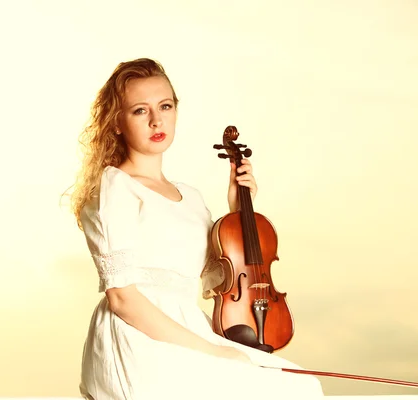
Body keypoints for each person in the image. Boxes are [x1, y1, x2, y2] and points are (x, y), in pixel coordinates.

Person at [69, 58, 324, 399]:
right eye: (140, 111)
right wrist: (215, 352)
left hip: (188, 329)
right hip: (137, 338)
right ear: (117, 122)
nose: (157, 120)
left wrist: (240, 209)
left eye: (165, 106)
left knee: (303, 383)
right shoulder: (115, 187)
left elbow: (218, 281)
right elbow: (122, 299)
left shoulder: (189, 197)